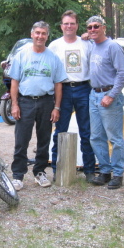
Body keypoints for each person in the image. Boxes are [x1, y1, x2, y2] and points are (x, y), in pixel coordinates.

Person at [8, 21, 68, 191]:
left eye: (44, 33)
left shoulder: (53, 58)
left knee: (44, 140)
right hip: (25, 101)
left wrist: (56, 107)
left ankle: (39, 172)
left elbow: (58, 84)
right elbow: (14, 81)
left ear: (47, 36)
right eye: (38, 33)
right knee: (21, 140)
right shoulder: (21, 55)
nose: (40, 36)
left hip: (46, 101)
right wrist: (14, 104)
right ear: (32, 34)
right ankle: (17, 175)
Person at [48, 10, 95, 183]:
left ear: (77, 25)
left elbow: (102, 46)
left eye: (72, 23)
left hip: (84, 88)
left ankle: (89, 170)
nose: (69, 26)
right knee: (60, 131)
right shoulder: (54, 45)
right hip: (63, 90)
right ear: (61, 26)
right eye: (66, 23)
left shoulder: (86, 44)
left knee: (86, 132)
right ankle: (57, 170)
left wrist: (89, 35)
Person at [86, 16, 124, 189]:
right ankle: (105, 171)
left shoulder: (113, 47)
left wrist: (111, 95)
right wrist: (86, 36)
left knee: (115, 138)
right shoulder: (92, 45)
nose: (92, 29)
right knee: (96, 137)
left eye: (96, 26)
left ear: (104, 27)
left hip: (109, 96)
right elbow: (87, 37)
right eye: (89, 27)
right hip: (94, 95)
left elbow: (123, 74)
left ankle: (118, 174)